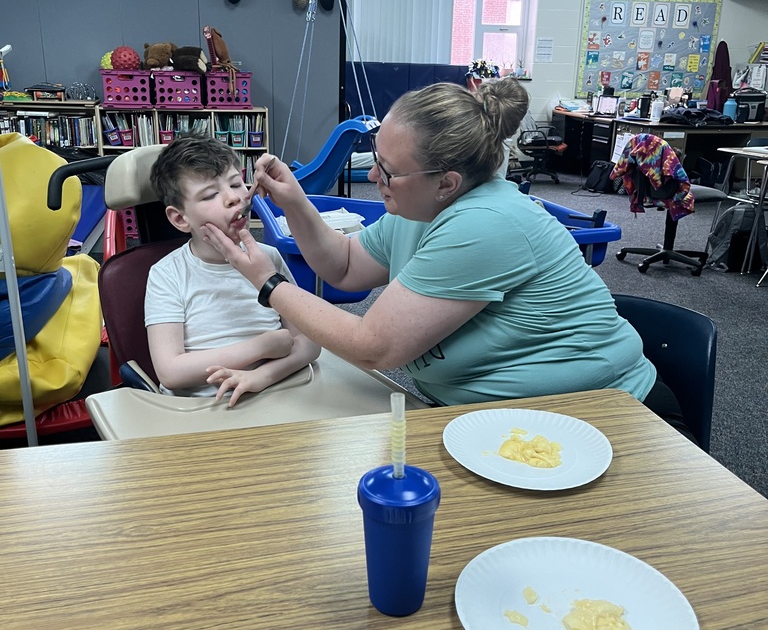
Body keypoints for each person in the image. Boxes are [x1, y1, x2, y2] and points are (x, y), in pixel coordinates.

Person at [201, 77, 690, 437]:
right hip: (497, 420)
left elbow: (375, 346)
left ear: (446, 182)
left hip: (606, 421)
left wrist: (269, 284)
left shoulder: (484, 223)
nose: (374, 178)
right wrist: (297, 204)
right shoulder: (421, 208)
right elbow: (345, 267)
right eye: (375, 158)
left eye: (388, 171)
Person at [145, 136, 320, 406]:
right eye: (210, 195)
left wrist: (261, 376)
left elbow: (309, 341)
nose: (233, 198)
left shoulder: (269, 257)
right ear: (181, 218)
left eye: (236, 183)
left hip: (278, 392)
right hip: (204, 406)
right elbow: (170, 371)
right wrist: (261, 347)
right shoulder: (167, 274)